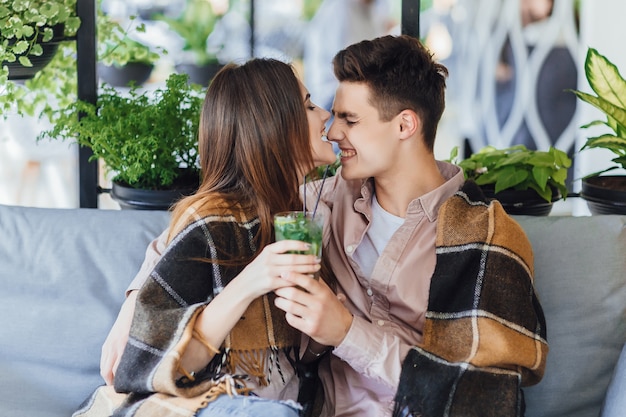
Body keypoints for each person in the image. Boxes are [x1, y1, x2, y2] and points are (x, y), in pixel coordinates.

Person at [101, 35, 548, 417]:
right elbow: (216, 217)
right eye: (330, 113)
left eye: (351, 120)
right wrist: (136, 303)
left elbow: (486, 396)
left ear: (405, 125)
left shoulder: (484, 236)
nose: (333, 132)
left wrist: (347, 332)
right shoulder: (321, 202)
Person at [76, 58, 338, 417]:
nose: (325, 115)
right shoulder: (214, 221)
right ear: (275, 125)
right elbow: (165, 358)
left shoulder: (316, 208)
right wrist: (253, 279)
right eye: (308, 105)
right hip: (212, 400)